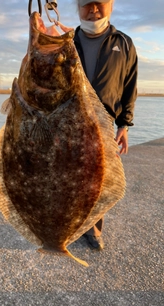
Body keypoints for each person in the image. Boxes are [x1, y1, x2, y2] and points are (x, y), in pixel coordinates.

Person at [74, 0, 138, 250]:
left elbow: (130, 87)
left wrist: (125, 125)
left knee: (98, 181)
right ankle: (67, 225)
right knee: (66, 177)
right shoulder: (66, 42)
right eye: (86, 4)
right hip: (68, 124)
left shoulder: (123, 43)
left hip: (104, 126)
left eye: (99, 3)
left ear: (111, 4)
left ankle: (93, 230)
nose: (93, 10)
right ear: (78, 7)